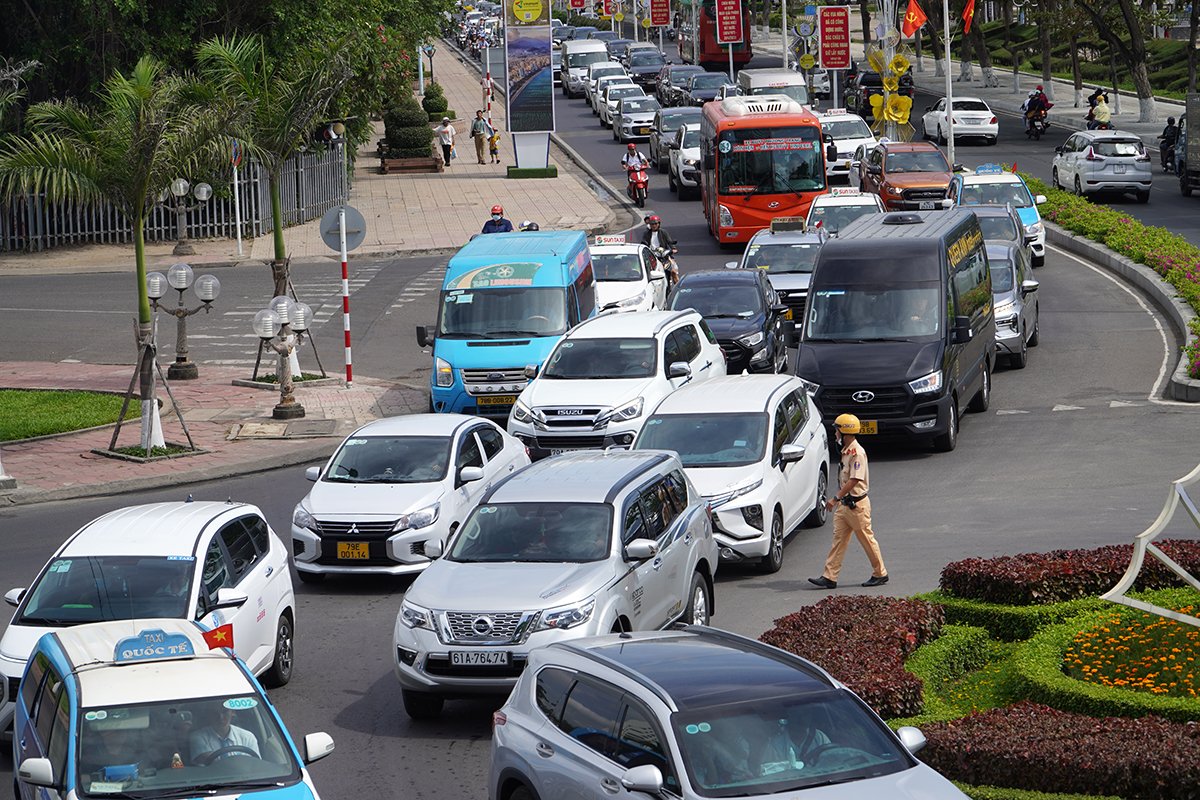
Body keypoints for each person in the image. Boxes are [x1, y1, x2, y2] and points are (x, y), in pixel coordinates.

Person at [808, 414, 888, 589]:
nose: (834, 433)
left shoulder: (857, 453)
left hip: (857, 506)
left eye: (836, 430)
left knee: (867, 539)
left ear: (845, 432)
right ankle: (830, 576)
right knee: (838, 540)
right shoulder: (846, 451)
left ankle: (880, 573)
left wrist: (835, 498)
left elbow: (854, 480)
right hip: (846, 506)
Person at [190, 702, 260, 765]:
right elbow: (208, 761)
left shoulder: (248, 737)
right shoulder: (198, 738)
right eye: (215, 713)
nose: (221, 717)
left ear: (232, 712)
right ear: (209, 715)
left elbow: (257, 765)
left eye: (224, 711)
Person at [639, 214, 679, 284]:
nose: (654, 225)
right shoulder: (646, 233)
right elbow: (643, 243)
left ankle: (678, 289)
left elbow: (669, 241)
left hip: (664, 256)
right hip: (651, 256)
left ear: (659, 224)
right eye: (652, 224)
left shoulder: (663, 232)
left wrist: (673, 248)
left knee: (673, 271)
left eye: (655, 223)